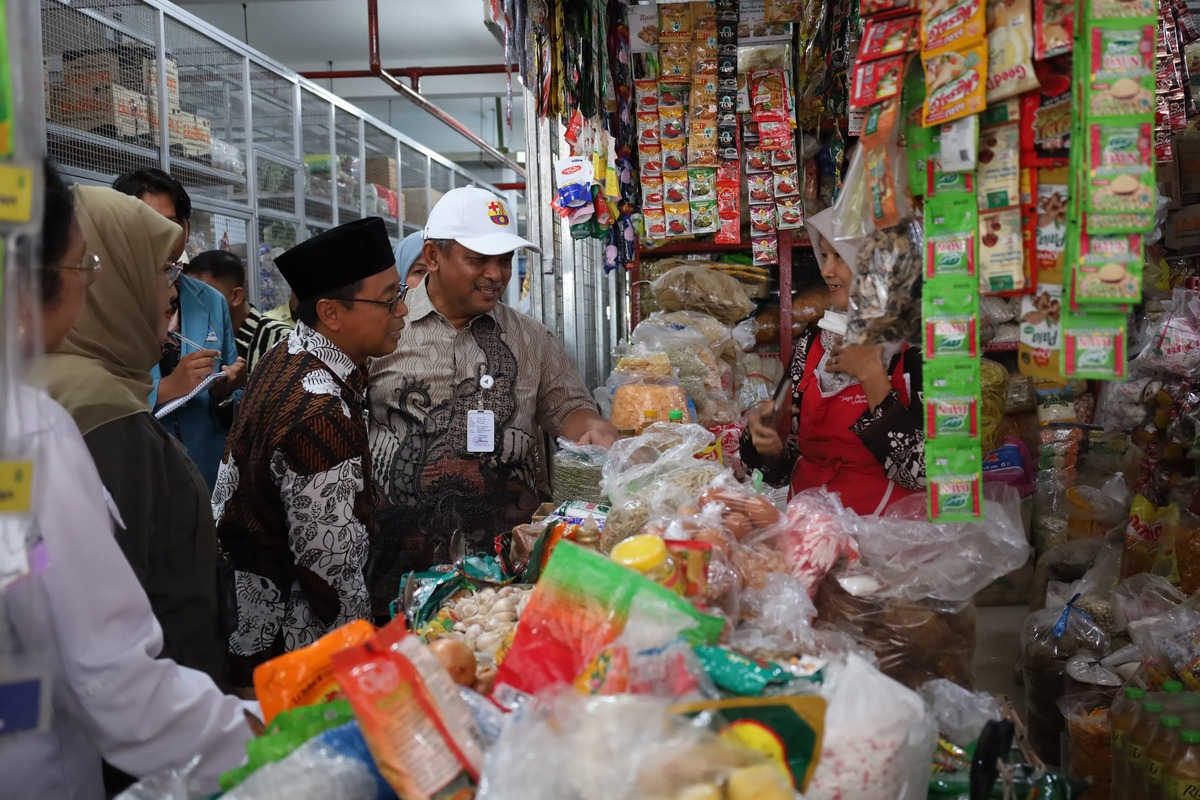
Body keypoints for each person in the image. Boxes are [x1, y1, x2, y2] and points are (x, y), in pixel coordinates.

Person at [1, 159, 253, 800]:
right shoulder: (49, 423)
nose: (172, 291)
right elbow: (105, 671)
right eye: (85, 267)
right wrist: (261, 737)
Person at [368, 187, 618, 612]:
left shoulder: (530, 337)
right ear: (432, 256)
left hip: (511, 572)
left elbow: (569, 410)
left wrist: (596, 433)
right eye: (478, 259)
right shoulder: (383, 329)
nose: (496, 274)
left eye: (504, 260)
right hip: (402, 568)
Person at [38, 185, 227, 687]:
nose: (172, 290)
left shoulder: (73, 387)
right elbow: (113, 641)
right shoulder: (98, 410)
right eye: (159, 270)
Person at [212, 217, 405, 688]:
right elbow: (331, 572)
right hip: (295, 658)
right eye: (389, 300)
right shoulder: (321, 414)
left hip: (246, 627)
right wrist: (361, 670)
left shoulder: (290, 353)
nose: (403, 311)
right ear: (331, 313)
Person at [741, 207, 926, 515]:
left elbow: (925, 472)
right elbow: (784, 463)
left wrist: (872, 375)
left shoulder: (918, 347)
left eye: (839, 256)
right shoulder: (815, 342)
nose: (826, 270)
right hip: (811, 531)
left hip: (890, 540)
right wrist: (768, 443)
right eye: (824, 256)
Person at [113, 168, 246, 491]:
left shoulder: (210, 301)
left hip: (205, 472)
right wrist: (165, 389)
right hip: (137, 474)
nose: (161, 233)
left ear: (186, 229)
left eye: (171, 223)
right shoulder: (104, 298)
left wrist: (223, 392)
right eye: (147, 221)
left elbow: (233, 397)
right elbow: (90, 398)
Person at [189, 250, 293, 374]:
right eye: (188, 295)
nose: (191, 304)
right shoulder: (194, 338)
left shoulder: (281, 340)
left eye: (203, 295)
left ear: (236, 296)